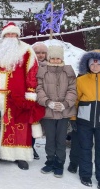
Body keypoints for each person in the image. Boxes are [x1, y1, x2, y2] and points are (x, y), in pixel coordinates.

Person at [0, 22, 45, 170]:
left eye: (14, 34)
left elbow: (32, 73)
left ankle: (20, 155)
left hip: (17, 98)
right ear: (4, 36)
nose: (11, 37)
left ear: (17, 35)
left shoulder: (26, 50)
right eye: (8, 34)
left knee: (19, 125)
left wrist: (30, 95)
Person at [36, 45, 77, 178]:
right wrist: (48, 102)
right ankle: (50, 160)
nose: (55, 60)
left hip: (64, 112)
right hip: (48, 111)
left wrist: (65, 103)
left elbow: (72, 89)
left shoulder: (68, 71)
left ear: (61, 58)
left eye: (57, 58)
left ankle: (59, 163)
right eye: (52, 58)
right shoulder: (43, 71)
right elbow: (39, 89)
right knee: (50, 139)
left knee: (60, 139)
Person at [75, 49, 100, 188]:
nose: (95, 67)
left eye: (98, 64)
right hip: (84, 121)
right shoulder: (81, 80)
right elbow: (76, 100)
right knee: (85, 149)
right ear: (88, 65)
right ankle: (85, 175)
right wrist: (73, 118)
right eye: (92, 64)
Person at [31, 41, 48, 160]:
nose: (40, 55)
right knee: (30, 124)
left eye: (43, 53)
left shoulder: (50, 65)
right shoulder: (30, 65)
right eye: (38, 52)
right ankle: (30, 146)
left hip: (45, 98)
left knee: (39, 125)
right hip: (31, 98)